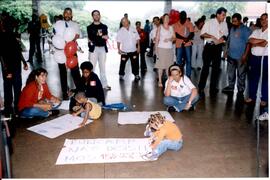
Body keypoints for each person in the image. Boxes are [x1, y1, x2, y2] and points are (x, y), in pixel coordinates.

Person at [0, 14, 28, 117]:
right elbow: (2, 55)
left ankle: (15, 108)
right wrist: (7, 70)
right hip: (10, 66)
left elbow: (18, 51)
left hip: (13, 66)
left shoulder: (12, 35)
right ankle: (10, 108)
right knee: (11, 87)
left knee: (14, 87)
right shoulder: (4, 36)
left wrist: (24, 62)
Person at [198, 7, 228, 97]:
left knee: (216, 69)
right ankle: (201, 87)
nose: (224, 17)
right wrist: (213, 37)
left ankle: (213, 87)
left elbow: (226, 34)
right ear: (218, 14)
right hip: (209, 47)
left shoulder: (224, 24)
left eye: (225, 15)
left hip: (218, 48)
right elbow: (202, 34)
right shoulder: (209, 22)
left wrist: (222, 39)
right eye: (223, 15)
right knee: (206, 68)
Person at [53, 7, 82, 100]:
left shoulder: (75, 24)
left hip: (71, 49)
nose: (68, 15)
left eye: (69, 13)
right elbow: (54, 35)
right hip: (60, 50)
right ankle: (64, 92)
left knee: (75, 71)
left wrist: (70, 40)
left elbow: (77, 35)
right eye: (66, 13)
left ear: (71, 15)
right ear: (63, 14)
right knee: (62, 72)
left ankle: (80, 90)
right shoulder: (58, 24)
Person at [221, 13, 252, 97]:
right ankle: (231, 87)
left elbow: (249, 43)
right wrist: (226, 51)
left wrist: (245, 55)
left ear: (240, 20)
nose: (233, 23)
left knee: (241, 74)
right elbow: (229, 40)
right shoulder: (232, 28)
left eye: (235, 21)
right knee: (230, 73)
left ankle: (240, 90)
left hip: (241, 56)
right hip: (231, 55)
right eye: (232, 21)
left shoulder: (246, 30)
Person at [245, 13, 268, 112]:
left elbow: (266, 44)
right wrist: (261, 42)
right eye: (262, 19)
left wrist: (257, 43)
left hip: (266, 58)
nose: (263, 21)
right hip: (254, 58)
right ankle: (252, 96)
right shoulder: (257, 31)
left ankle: (264, 99)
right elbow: (250, 40)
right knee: (253, 78)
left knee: (265, 79)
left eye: (266, 19)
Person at [87, 10, 111, 91]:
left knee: (102, 67)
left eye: (98, 14)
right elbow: (91, 37)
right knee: (91, 67)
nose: (96, 16)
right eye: (94, 15)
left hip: (102, 49)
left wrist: (98, 36)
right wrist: (101, 36)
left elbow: (106, 37)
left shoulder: (104, 26)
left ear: (100, 16)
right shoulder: (89, 27)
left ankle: (104, 84)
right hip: (93, 49)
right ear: (92, 16)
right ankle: (91, 84)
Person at [116, 17, 141, 81]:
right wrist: (118, 49)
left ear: (128, 21)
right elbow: (118, 41)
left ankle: (136, 74)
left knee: (135, 63)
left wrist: (138, 47)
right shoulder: (120, 31)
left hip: (133, 50)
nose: (124, 23)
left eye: (125, 21)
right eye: (123, 22)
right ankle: (121, 75)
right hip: (125, 51)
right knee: (122, 63)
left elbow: (137, 38)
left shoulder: (133, 29)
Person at [155, 13, 175, 87]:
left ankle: (168, 81)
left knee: (168, 66)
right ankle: (160, 81)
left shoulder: (171, 27)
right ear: (163, 19)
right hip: (161, 48)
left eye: (168, 18)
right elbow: (157, 39)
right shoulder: (160, 27)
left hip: (169, 49)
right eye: (165, 18)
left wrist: (170, 39)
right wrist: (156, 50)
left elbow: (174, 37)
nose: (167, 19)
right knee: (161, 66)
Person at [173, 11, 194, 78]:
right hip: (179, 44)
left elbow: (192, 33)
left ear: (186, 16)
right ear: (180, 16)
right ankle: (179, 74)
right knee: (178, 60)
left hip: (187, 44)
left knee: (188, 60)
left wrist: (186, 39)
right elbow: (175, 34)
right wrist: (184, 38)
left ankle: (188, 75)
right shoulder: (176, 24)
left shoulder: (189, 23)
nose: (183, 16)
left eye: (184, 15)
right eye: (181, 15)